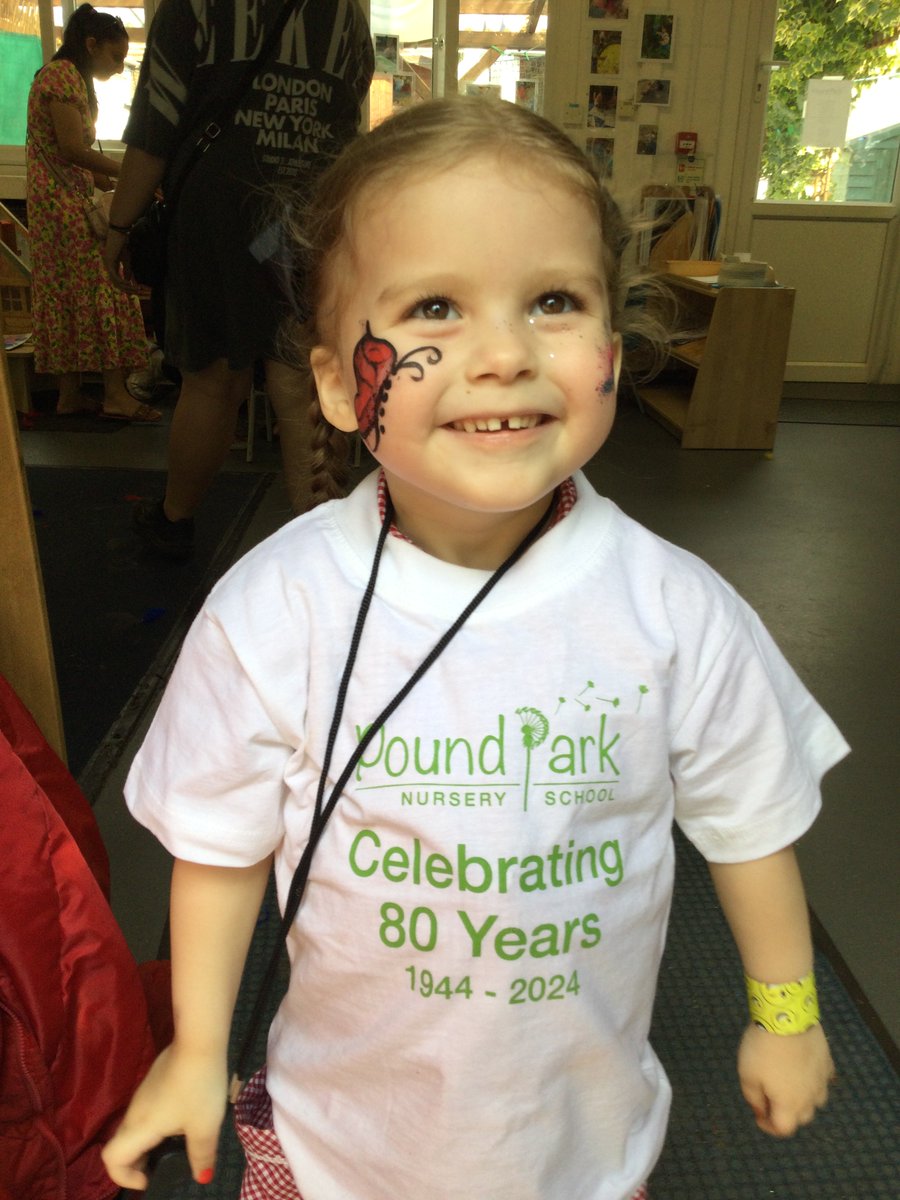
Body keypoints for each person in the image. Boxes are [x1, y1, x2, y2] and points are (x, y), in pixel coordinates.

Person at [101, 97, 848, 1200]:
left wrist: (785, 1016)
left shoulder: (673, 611)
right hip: (333, 1146)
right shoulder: (276, 608)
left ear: (612, 340)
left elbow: (752, 820)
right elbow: (219, 844)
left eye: (553, 300)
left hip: (581, 1151)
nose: (502, 353)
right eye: (434, 307)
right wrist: (200, 1047)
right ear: (332, 387)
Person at [102, 0, 374, 559]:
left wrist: (118, 226)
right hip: (302, 214)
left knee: (212, 381)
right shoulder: (346, 15)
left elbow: (155, 131)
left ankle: (173, 521)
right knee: (301, 383)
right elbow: (347, 129)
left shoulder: (193, 8)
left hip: (216, 215)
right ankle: (325, 548)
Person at [25, 4, 158, 422]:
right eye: (116, 57)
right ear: (91, 44)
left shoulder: (61, 76)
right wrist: (131, 172)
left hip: (53, 205)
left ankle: (70, 394)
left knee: (65, 294)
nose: (120, 68)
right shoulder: (63, 77)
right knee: (104, 286)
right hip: (63, 209)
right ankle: (116, 394)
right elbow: (71, 149)